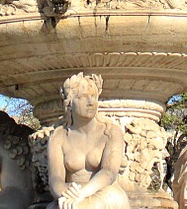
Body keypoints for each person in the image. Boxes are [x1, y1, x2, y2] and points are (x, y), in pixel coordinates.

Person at [47, 73, 130, 209]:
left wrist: (81, 194)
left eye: (94, 97)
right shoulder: (59, 136)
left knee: (114, 196)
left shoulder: (110, 132)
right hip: (70, 196)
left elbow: (109, 172)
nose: (91, 102)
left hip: (103, 195)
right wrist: (66, 194)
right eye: (83, 97)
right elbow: (56, 181)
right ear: (69, 103)